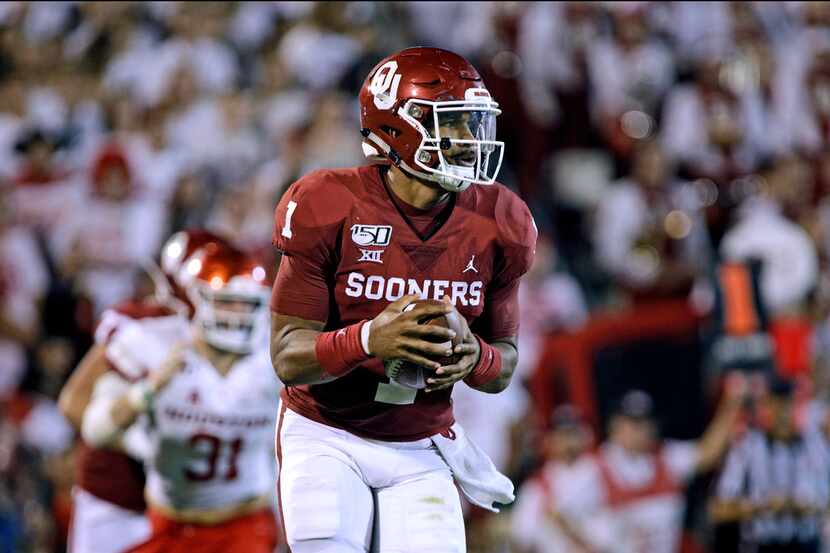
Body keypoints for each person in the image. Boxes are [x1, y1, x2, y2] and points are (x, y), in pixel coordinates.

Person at [270, 47, 537, 552]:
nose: (468, 142)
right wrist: (371, 338)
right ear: (398, 127)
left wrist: (473, 357)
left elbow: (504, 365)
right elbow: (287, 356)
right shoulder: (328, 203)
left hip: (422, 442)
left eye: (473, 123)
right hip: (326, 431)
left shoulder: (501, 220)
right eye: (452, 124)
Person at [58, 229, 229, 553]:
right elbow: (73, 403)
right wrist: (138, 442)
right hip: (119, 498)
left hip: (193, 509)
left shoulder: (242, 342)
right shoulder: (138, 327)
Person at [594, 382, 746, 553]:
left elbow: (708, 453)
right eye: (634, 423)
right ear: (615, 425)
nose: (643, 430)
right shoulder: (594, 468)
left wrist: (732, 402)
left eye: (647, 422)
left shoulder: (668, 457)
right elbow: (562, 515)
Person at [711, 377, 825, 553]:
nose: (782, 411)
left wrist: (806, 506)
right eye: (776, 403)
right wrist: (761, 506)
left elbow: (825, 502)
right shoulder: (747, 446)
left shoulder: (814, 444)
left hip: (806, 544)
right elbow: (719, 509)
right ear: (766, 405)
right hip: (763, 545)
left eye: (787, 403)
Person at [510, 405, 611, 553]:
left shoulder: (605, 469)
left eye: (573, 433)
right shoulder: (538, 485)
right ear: (549, 440)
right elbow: (521, 538)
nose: (568, 441)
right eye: (562, 435)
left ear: (587, 435)